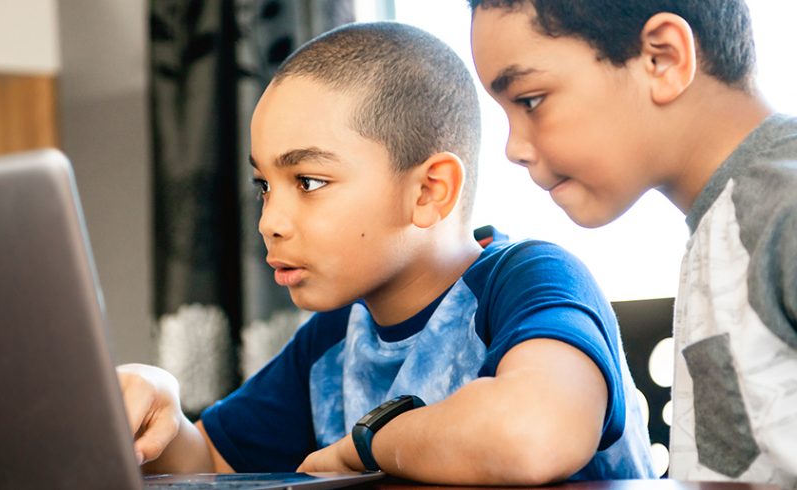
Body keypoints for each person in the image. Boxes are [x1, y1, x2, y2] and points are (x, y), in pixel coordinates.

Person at [118, 21, 654, 485]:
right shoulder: (333, 337)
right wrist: (157, 410)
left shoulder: (531, 280)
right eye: (265, 186)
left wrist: (364, 445)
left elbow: (534, 432)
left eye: (307, 181)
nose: (269, 222)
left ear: (428, 191)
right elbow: (211, 461)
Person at [467, 1, 797, 487]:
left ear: (661, 59)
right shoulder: (724, 219)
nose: (513, 148)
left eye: (530, 100)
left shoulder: (782, 207)